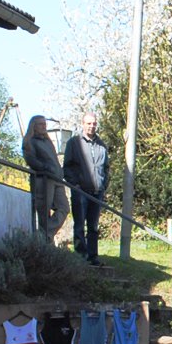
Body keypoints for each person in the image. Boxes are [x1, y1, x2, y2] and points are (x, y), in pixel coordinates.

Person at [63, 111, 109, 263]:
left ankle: (93, 257)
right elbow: (67, 166)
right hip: (80, 191)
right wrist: (75, 184)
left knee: (93, 227)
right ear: (83, 124)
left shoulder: (101, 145)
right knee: (79, 225)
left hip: (97, 192)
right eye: (89, 123)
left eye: (94, 123)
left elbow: (106, 168)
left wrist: (104, 185)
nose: (92, 126)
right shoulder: (74, 143)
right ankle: (80, 257)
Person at [22, 114, 69, 240]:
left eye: (45, 124)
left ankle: (44, 234)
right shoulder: (30, 141)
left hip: (57, 179)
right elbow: (31, 160)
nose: (44, 127)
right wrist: (45, 168)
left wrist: (59, 171)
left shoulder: (48, 141)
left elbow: (54, 159)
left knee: (64, 208)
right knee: (43, 211)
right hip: (43, 179)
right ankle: (44, 240)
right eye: (41, 124)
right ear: (34, 126)